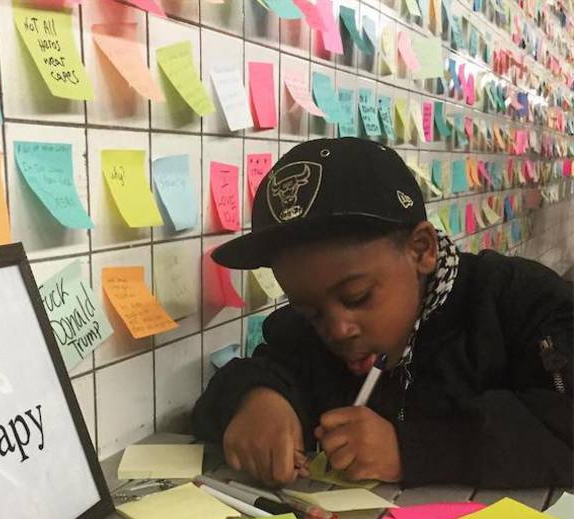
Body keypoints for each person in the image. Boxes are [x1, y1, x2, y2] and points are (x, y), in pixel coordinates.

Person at [192, 138, 573, 488]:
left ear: (421, 250)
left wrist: (413, 448)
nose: (337, 330)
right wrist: (256, 399)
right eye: (310, 311)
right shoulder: (306, 334)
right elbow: (254, 374)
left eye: (357, 297)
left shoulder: (519, 301)